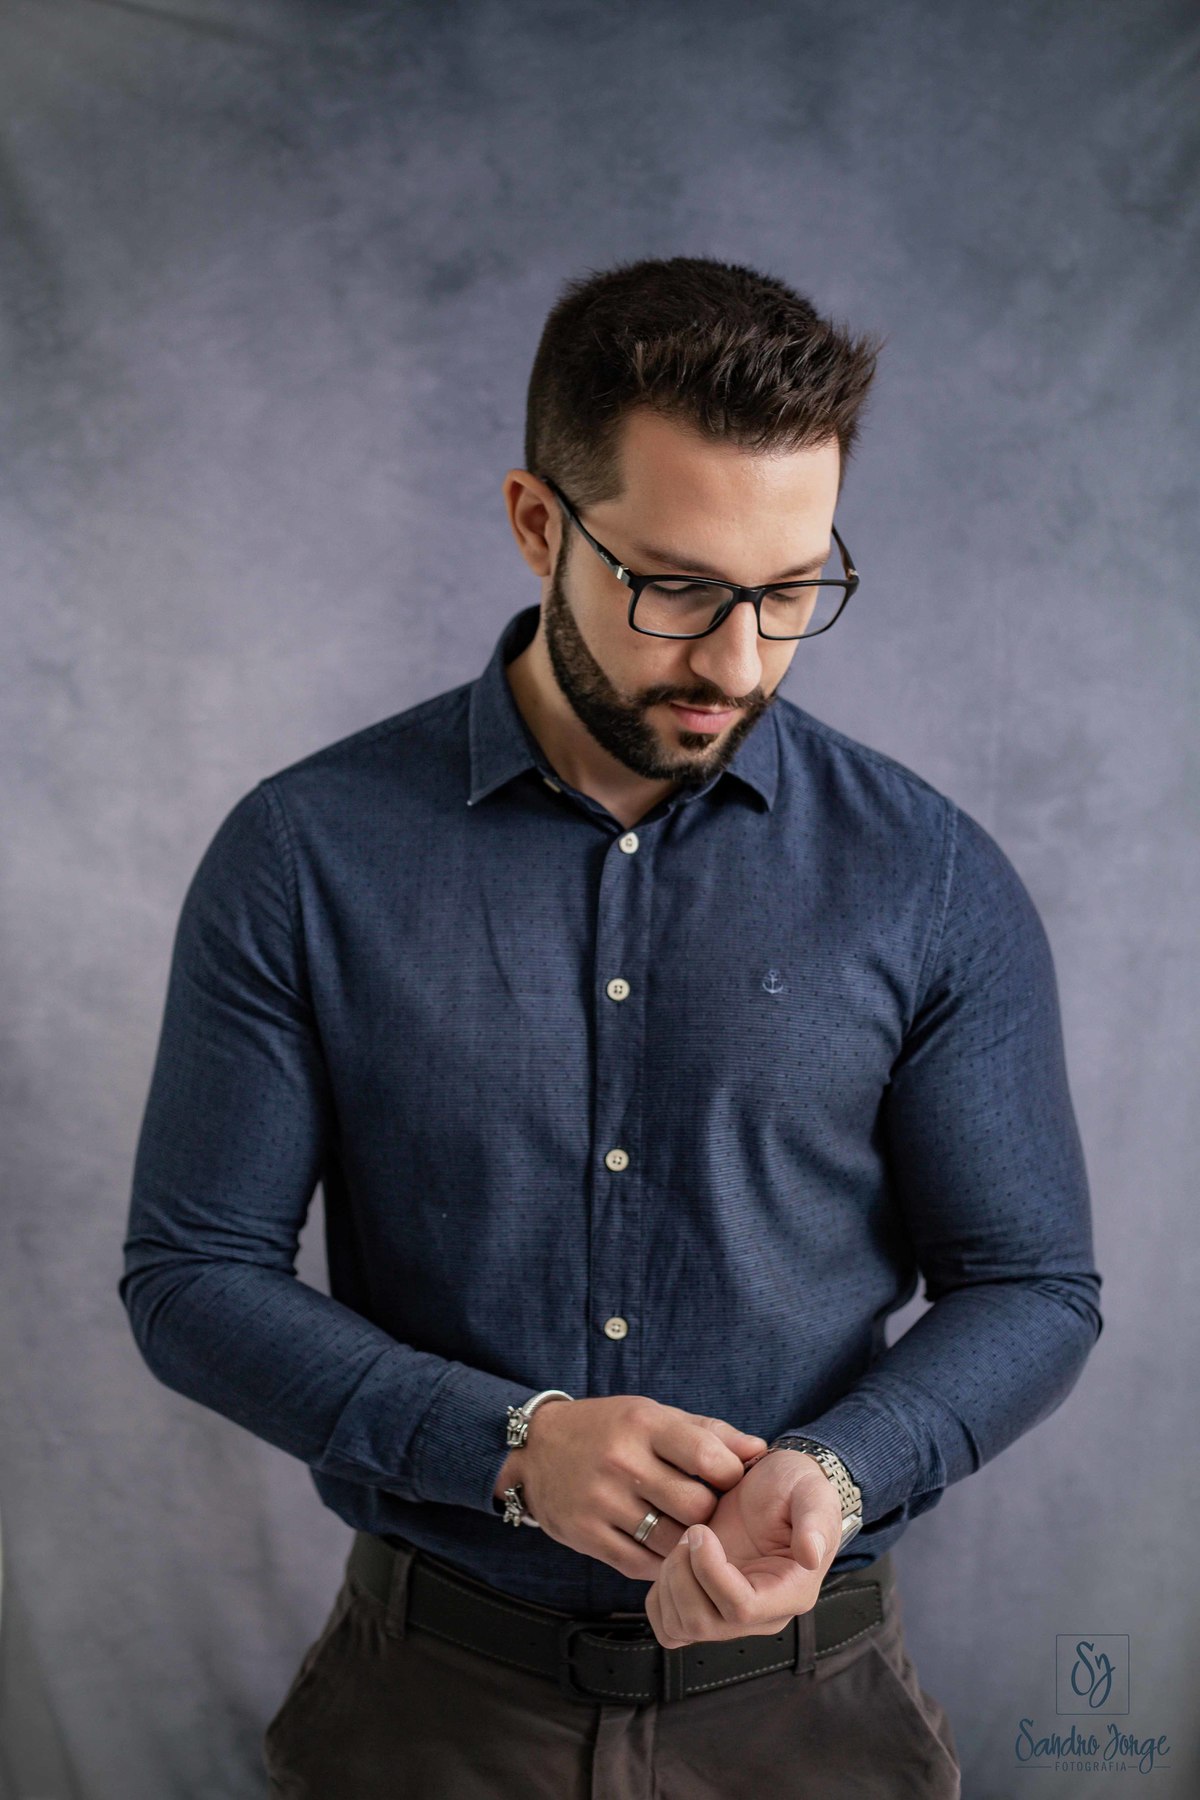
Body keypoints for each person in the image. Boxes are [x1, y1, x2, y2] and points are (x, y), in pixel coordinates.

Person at [120, 255, 1103, 1797]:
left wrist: (840, 1473)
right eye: (678, 589)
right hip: (424, 1718)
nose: (738, 662)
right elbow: (191, 1277)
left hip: (814, 1722)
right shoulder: (304, 856)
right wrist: (505, 1443)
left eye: (791, 592)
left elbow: (1032, 1286)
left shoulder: (930, 876)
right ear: (538, 525)